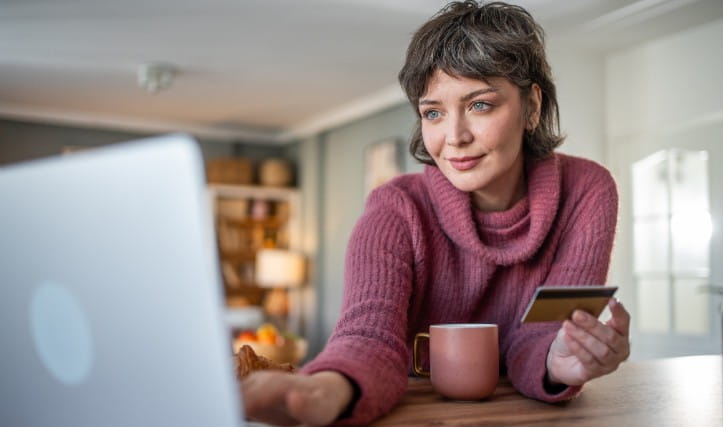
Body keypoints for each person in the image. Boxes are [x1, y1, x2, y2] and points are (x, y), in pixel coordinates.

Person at [239, 1, 631, 425]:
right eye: (433, 113)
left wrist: (561, 359)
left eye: (480, 104)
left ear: (531, 107)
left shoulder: (586, 192)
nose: (454, 137)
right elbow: (368, 336)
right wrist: (320, 390)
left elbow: (541, 338)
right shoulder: (395, 208)